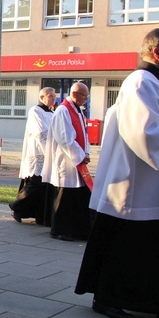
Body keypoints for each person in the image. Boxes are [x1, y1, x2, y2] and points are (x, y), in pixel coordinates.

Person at [75, 28, 159, 318]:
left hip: (158, 186)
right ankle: (107, 299)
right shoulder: (139, 82)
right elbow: (143, 133)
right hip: (135, 187)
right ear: (156, 51)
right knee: (126, 246)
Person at [42, 82, 92, 241]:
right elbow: (64, 138)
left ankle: (77, 230)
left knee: (76, 197)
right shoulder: (64, 110)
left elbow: (84, 135)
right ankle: (60, 230)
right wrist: (80, 154)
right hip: (66, 161)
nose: (86, 99)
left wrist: (86, 152)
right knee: (65, 198)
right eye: (85, 96)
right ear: (76, 94)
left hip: (77, 159)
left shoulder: (78, 111)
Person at [10, 87, 55, 226]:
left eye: (54, 96)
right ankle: (17, 207)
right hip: (39, 154)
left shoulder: (53, 113)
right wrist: (49, 152)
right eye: (50, 96)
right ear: (42, 97)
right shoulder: (36, 111)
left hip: (50, 153)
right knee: (35, 184)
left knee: (45, 188)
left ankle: (39, 215)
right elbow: (40, 133)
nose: (54, 99)